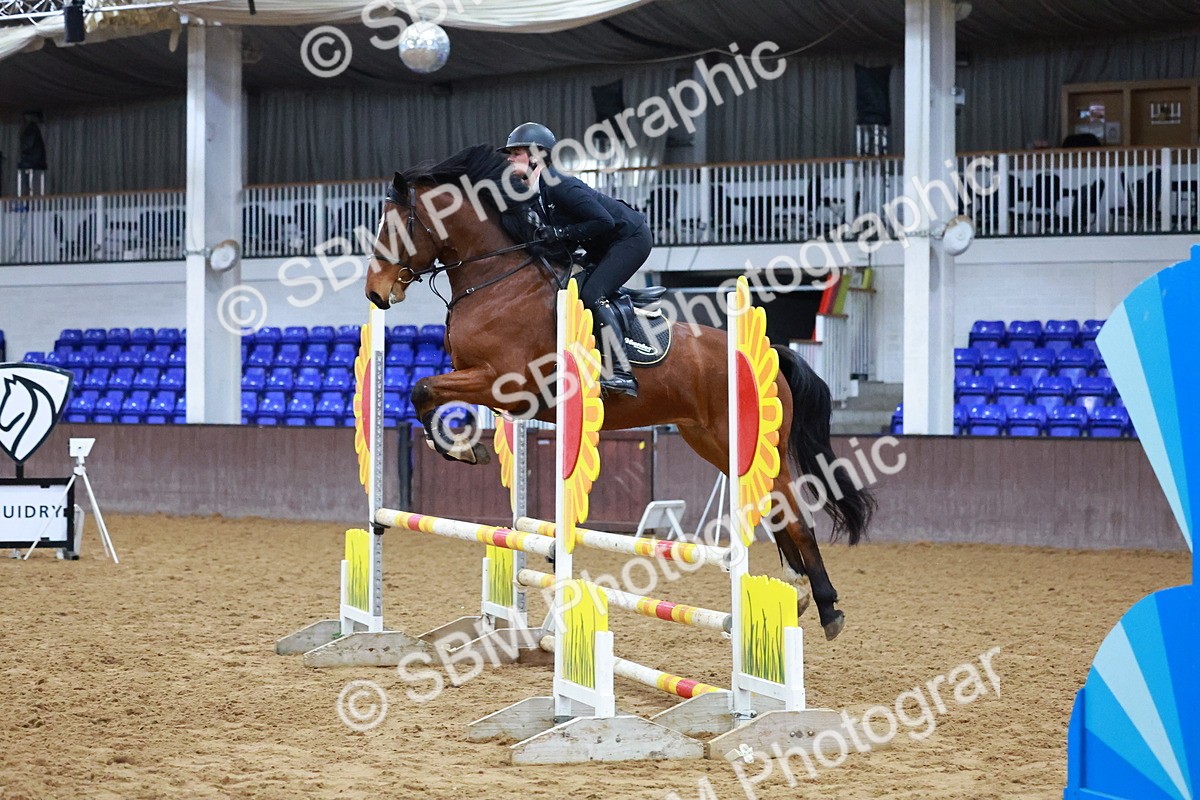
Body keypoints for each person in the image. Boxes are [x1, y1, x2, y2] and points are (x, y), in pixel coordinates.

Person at [499, 122, 651, 397]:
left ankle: (621, 372)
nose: (509, 158)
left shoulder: (561, 186)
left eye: (516, 152)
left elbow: (603, 221)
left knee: (592, 294)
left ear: (535, 155)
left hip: (629, 238)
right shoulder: (539, 193)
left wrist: (559, 232)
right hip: (602, 242)